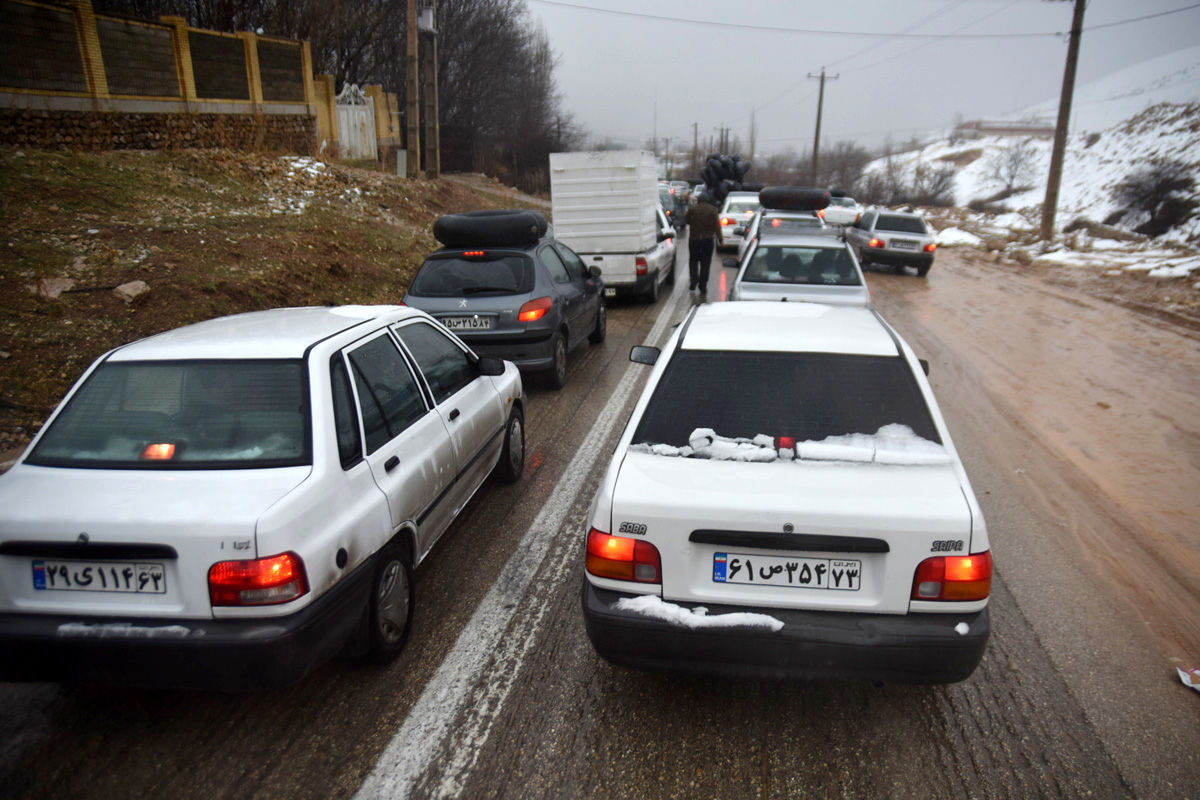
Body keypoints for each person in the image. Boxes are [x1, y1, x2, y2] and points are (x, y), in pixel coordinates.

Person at [683, 192, 723, 295]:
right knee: (705, 263)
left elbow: (686, 221)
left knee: (693, 261)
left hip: (694, 239)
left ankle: (693, 281)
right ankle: (703, 285)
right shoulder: (713, 210)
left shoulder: (693, 209)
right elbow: (717, 226)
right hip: (708, 240)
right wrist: (720, 239)